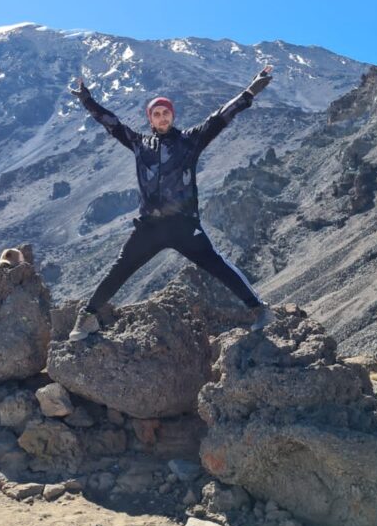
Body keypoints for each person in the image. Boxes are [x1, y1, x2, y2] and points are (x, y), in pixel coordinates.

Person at [68, 66, 276, 341]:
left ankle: (260, 310)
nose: (162, 117)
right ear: (150, 119)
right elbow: (112, 123)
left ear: (172, 115)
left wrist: (250, 92)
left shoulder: (190, 141)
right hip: (149, 228)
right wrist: (87, 100)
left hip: (183, 225)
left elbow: (220, 118)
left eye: (166, 112)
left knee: (218, 266)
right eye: (157, 113)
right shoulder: (139, 144)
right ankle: (88, 317)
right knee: (120, 268)